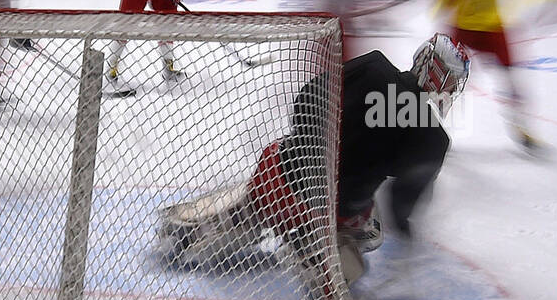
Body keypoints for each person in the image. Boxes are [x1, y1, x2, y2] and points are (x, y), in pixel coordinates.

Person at [160, 34, 471, 284]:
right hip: (327, 213)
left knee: (266, 199)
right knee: (372, 230)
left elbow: (307, 98)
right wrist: (405, 229)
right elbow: (401, 203)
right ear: (440, 80)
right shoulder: (433, 139)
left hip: (277, 172)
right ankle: (314, 255)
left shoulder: (374, 64)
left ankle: (213, 227)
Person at [426, 0, 546, 154]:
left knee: (512, 79)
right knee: (448, 84)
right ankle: (430, 132)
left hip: (492, 27)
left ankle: (522, 129)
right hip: (462, 27)